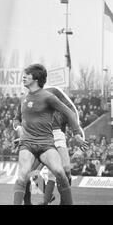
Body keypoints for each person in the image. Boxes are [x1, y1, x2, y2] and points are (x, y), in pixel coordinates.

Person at [12, 64, 86, 205]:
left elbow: (70, 109)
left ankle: (59, 201)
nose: (24, 76)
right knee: (28, 175)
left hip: (54, 135)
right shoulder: (23, 98)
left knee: (64, 171)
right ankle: (43, 198)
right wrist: (20, 130)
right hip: (30, 140)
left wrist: (77, 133)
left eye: (27, 74)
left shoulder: (52, 93)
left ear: (36, 78)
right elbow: (19, 119)